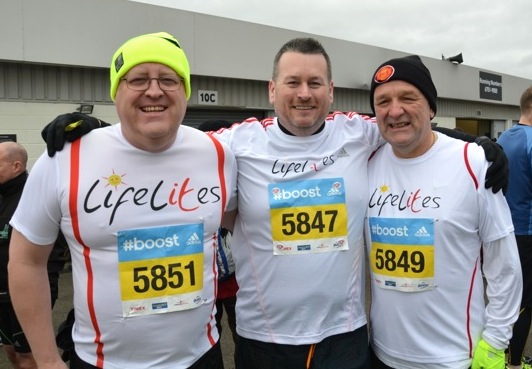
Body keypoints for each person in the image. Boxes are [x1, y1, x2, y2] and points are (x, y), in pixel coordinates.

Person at [39, 38, 508, 369]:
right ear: (272, 90)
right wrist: (97, 132)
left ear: (330, 91)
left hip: (344, 337)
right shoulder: (232, 145)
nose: (304, 94)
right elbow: (161, 141)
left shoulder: (358, 132)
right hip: (264, 338)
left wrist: (473, 142)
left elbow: (403, 123)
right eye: (292, 82)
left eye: (315, 83)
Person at [8, 31, 237, 369]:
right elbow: (26, 261)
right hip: (103, 362)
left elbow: (249, 222)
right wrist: (46, 360)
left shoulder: (219, 153)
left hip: (201, 357)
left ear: (185, 90)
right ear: (116, 91)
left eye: (169, 79)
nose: (154, 90)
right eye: (138, 79)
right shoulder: (64, 158)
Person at [364, 54, 522, 369]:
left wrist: (495, 342)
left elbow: (504, 264)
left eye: (408, 98)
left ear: (432, 107)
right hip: (380, 353)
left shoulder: (474, 162)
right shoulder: (365, 162)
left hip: (453, 357)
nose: (395, 110)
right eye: (383, 102)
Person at [0, 141, 67, 369]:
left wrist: (44, 288)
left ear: (16, 166)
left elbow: (51, 253)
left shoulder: (34, 196)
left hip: (25, 293)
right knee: (11, 352)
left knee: (28, 358)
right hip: (1, 295)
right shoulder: (1, 194)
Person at [497, 86, 532, 369]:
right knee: (524, 301)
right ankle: (515, 362)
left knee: (508, 294)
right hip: (528, 233)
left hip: (505, 230)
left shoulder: (505, 136)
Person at [197, 120, 239, 354]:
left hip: (237, 283)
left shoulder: (240, 173)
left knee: (242, 337)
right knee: (208, 344)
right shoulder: (189, 178)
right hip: (205, 288)